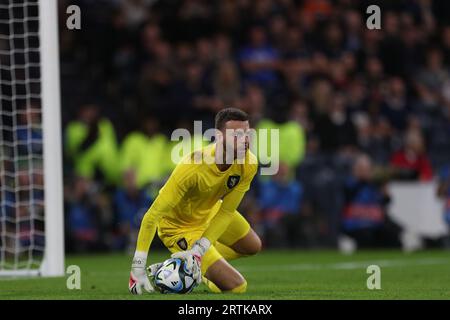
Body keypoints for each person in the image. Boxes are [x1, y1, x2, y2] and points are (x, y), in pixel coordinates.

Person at [128, 108, 261, 295]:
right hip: (180, 227)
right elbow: (153, 215)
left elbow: (227, 212)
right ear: (219, 136)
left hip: (211, 211)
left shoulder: (249, 163)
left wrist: (200, 249)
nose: (245, 141)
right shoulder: (193, 166)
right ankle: (196, 267)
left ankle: (192, 264)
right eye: (237, 135)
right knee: (237, 287)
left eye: (247, 134)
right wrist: (137, 266)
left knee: (253, 246)